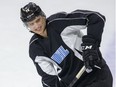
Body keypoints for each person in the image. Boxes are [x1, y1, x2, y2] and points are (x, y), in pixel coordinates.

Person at [20, 2, 113, 87]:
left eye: (38, 20)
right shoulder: (35, 48)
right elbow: (48, 78)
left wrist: (90, 47)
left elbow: (95, 18)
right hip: (71, 84)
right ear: (27, 26)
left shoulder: (59, 23)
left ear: (43, 16)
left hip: (95, 75)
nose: (36, 26)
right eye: (31, 24)